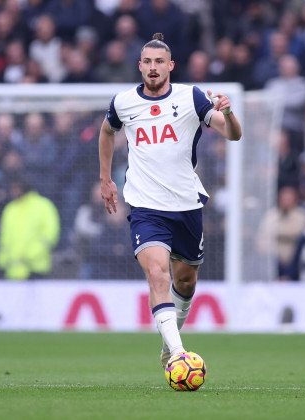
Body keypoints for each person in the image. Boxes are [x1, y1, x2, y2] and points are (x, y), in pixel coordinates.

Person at [98, 33, 241, 369]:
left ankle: (168, 343)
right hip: (146, 206)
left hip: (186, 205)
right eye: (147, 61)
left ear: (171, 66)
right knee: (158, 276)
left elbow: (232, 133)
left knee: (186, 281)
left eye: (159, 61)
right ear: (139, 66)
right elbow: (107, 131)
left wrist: (229, 112)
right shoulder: (123, 102)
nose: (153, 67)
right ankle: (177, 354)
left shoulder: (191, 97)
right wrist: (105, 178)